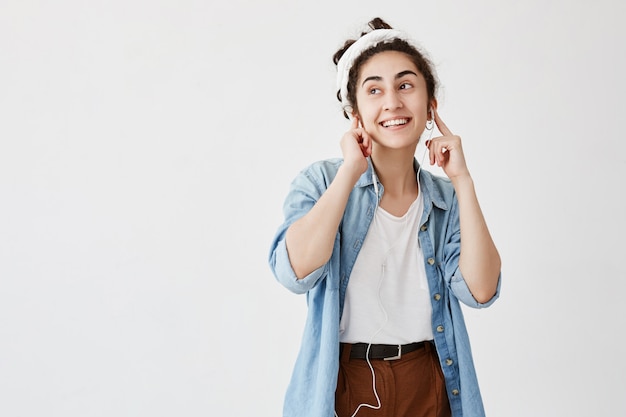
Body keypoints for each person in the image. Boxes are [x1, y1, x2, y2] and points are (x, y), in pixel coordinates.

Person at [268, 17, 501, 417]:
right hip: (345, 382)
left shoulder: (446, 198)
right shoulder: (322, 181)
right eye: (374, 90)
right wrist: (349, 173)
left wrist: (462, 180)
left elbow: (481, 291)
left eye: (405, 85)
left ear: (431, 106)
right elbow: (295, 272)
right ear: (354, 111)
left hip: (429, 379)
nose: (392, 101)